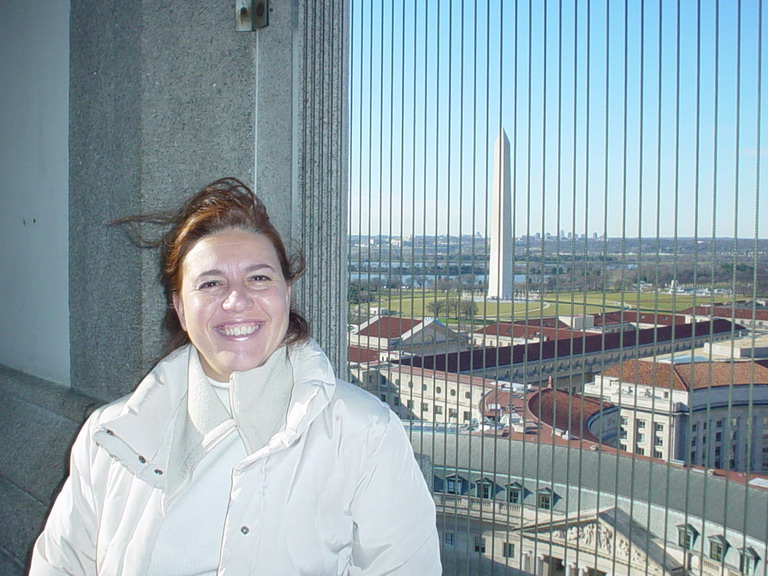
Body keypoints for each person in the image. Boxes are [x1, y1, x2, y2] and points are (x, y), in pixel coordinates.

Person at [30, 178, 441, 575]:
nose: (237, 300)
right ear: (179, 308)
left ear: (287, 292)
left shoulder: (363, 432)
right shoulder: (110, 437)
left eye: (258, 278)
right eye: (210, 283)